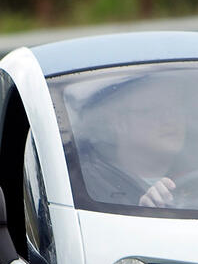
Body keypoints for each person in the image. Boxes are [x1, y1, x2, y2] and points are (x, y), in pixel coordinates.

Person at [76, 74, 187, 208]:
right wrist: (143, 212)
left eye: (175, 108)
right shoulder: (88, 190)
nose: (170, 119)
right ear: (118, 123)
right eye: (152, 110)